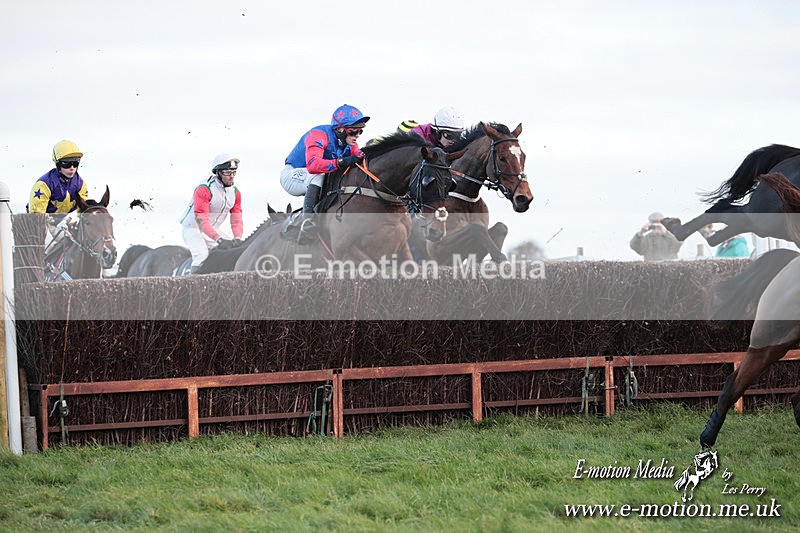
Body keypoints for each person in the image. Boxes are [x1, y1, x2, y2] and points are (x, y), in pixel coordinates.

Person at [280, 104, 370, 243]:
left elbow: (361, 158)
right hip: (293, 175)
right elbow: (313, 166)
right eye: (353, 132)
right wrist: (341, 161)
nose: (357, 136)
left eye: (360, 132)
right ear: (340, 129)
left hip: (314, 178)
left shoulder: (350, 143)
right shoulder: (318, 135)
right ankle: (307, 222)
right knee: (319, 174)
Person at [180, 154, 243, 273]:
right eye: (227, 173)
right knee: (201, 255)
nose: (231, 176)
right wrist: (219, 240)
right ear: (218, 173)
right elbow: (202, 221)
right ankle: (191, 286)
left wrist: (238, 237)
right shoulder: (204, 189)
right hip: (193, 228)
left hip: (213, 229)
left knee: (234, 252)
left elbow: (236, 219)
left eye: (234, 172)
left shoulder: (235, 192)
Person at [27, 140, 91, 257]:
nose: (72, 168)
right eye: (67, 164)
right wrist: (56, 221)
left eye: (75, 163)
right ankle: (44, 272)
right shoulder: (44, 184)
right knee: (49, 247)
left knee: (75, 244)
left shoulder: (80, 184)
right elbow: (37, 215)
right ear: (57, 164)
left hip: (61, 222)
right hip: (39, 223)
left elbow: (83, 210)